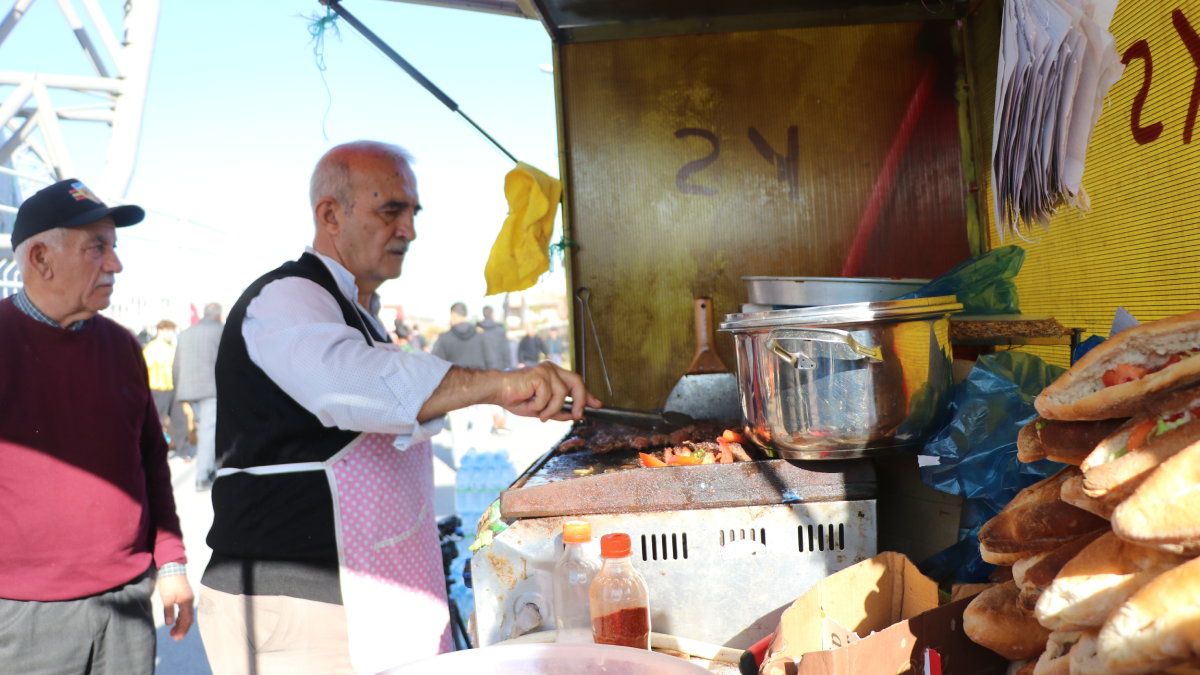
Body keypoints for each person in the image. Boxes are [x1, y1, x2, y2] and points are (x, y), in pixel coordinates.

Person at [198, 141, 599, 675]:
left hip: (357, 595)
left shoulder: (359, 310)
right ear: (330, 215)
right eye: (392, 210)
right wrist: (500, 385)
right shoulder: (286, 297)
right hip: (300, 601)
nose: (409, 229)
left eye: (412, 212)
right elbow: (354, 386)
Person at [0, 179, 193, 674]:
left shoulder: (124, 345)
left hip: (127, 602)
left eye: (114, 247)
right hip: (24, 614)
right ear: (40, 259)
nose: (116, 264)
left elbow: (151, 461)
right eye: (97, 248)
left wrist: (170, 564)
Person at [174, 302, 223, 490]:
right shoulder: (220, 330)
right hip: (210, 389)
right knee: (208, 431)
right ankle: (203, 476)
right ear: (219, 315)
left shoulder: (186, 333)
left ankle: (208, 469)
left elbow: (176, 364)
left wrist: (178, 389)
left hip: (188, 389)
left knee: (205, 430)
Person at [144, 319, 178, 434]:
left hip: (171, 389)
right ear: (160, 331)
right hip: (156, 390)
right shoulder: (150, 349)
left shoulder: (172, 349)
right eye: (168, 331)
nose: (171, 334)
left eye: (172, 331)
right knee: (158, 421)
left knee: (176, 421)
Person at [431, 302, 488, 368]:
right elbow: (491, 363)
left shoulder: (444, 338)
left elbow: (434, 365)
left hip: (454, 377)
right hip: (478, 377)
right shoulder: (481, 336)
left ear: (453, 314)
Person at [478, 304, 511, 370]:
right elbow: (505, 350)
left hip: (484, 369)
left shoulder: (478, 330)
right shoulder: (500, 329)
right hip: (499, 367)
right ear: (492, 314)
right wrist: (508, 366)